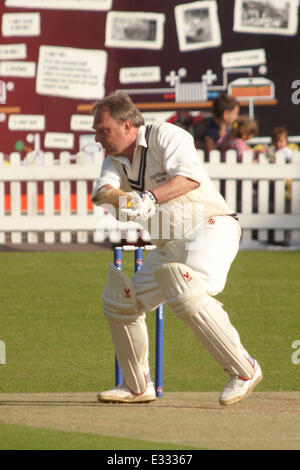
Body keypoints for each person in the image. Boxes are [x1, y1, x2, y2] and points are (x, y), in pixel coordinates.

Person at [91, 91, 263, 406]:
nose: (98, 136)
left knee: (186, 287)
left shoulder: (166, 135)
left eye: (104, 130)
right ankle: (137, 385)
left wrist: (150, 198)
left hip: (210, 227)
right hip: (168, 245)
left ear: (127, 125)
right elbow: (101, 192)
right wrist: (124, 200)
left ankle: (244, 369)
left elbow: (189, 178)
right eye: (96, 131)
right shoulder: (113, 160)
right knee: (120, 302)